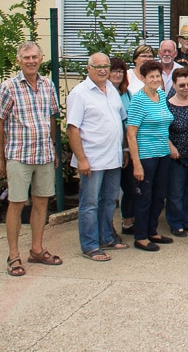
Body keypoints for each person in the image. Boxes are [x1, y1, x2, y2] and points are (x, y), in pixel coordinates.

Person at [0, 42, 62, 276]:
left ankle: (36, 249)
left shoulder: (47, 85)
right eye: (26, 57)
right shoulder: (8, 87)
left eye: (34, 57)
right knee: (17, 203)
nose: (31, 61)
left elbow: (52, 117)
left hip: (43, 154)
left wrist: (54, 149)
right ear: (19, 60)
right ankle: (13, 255)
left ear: (41, 58)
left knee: (42, 202)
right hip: (19, 154)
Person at [67, 53, 128, 262]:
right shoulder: (80, 93)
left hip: (113, 157)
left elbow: (120, 121)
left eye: (106, 66)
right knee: (90, 203)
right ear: (88, 68)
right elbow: (72, 129)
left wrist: (124, 151)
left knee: (110, 200)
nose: (103, 70)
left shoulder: (111, 89)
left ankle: (106, 237)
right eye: (98, 67)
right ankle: (90, 245)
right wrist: (81, 159)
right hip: (92, 159)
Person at [126, 59, 174, 251]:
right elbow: (131, 134)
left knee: (159, 195)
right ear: (143, 78)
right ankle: (140, 236)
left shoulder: (161, 95)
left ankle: (152, 231)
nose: (155, 79)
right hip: (146, 156)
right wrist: (136, 163)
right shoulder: (138, 100)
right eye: (151, 76)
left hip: (163, 154)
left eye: (157, 76)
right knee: (144, 196)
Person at [166, 68, 188, 237]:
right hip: (176, 155)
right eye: (182, 85)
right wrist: (170, 147)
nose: (186, 88)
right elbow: (162, 129)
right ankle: (176, 222)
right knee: (176, 191)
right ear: (174, 84)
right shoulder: (167, 104)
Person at [108, 57, 137, 236]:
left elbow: (129, 122)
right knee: (109, 192)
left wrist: (127, 149)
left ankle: (128, 222)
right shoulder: (103, 92)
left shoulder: (127, 94)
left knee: (130, 188)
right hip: (107, 149)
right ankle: (107, 227)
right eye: (114, 71)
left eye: (120, 71)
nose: (117, 74)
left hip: (125, 147)